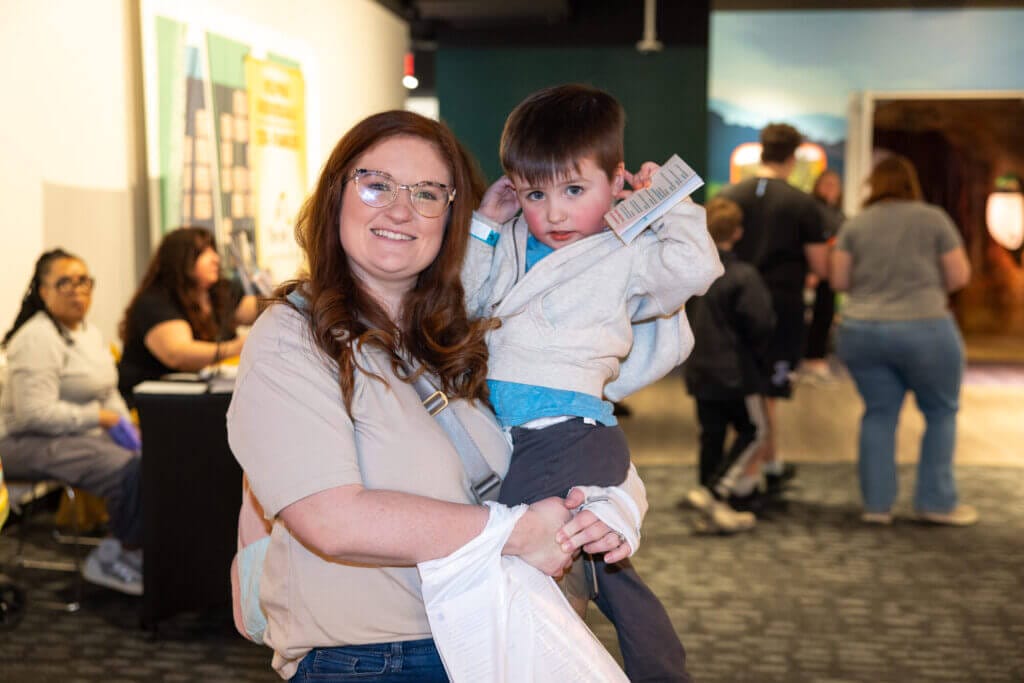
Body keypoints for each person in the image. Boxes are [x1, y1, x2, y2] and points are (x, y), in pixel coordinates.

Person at [226, 110, 631, 681]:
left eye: (427, 193)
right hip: (374, 659)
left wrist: (613, 510)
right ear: (336, 196)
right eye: (376, 185)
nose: (400, 210)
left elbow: (580, 420)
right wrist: (516, 533)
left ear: (451, 216)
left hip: (489, 637)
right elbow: (332, 520)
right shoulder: (293, 337)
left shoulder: (458, 334)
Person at [463, 83, 721, 683]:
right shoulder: (513, 239)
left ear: (616, 179)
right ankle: (660, 665)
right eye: (535, 194)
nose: (554, 213)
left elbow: (696, 268)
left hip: (567, 435)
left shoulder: (626, 250)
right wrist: (485, 225)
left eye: (574, 191)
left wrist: (668, 205)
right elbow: (465, 304)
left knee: (509, 554)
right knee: (601, 566)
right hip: (522, 434)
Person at [831, 154, 976, 526]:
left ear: (874, 185)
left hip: (862, 329)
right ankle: (936, 503)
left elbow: (840, 281)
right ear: (911, 184)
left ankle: (877, 506)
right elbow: (959, 276)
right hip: (925, 326)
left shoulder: (856, 224)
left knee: (879, 413)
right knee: (940, 412)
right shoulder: (934, 219)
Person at [0, 249, 144, 595]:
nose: (77, 290)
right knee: (130, 469)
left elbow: (107, 391)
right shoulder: (36, 338)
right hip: (22, 441)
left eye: (83, 281)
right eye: (64, 282)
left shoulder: (89, 333)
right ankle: (118, 555)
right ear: (43, 291)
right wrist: (100, 418)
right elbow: (33, 414)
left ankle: (140, 546)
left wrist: (129, 428)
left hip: (75, 434)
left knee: (153, 456)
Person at [718, 122, 829, 494]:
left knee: (749, 389)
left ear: (761, 149)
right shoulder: (802, 203)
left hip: (732, 304)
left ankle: (769, 463)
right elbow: (822, 266)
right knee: (765, 392)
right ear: (794, 156)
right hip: (780, 307)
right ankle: (747, 478)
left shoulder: (730, 196)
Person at [682, 197, 775, 534]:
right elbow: (761, 323)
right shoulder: (743, 275)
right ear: (737, 233)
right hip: (736, 371)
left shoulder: (693, 274)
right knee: (754, 430)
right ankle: (716, 493)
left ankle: (710, 506)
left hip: (699, 368)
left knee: (712, 436)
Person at [117, 227, 258, 408]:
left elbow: (254, 309)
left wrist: (286, 297)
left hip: (203, 397)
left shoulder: (217, 292)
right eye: (204, 252)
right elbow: (179, 354)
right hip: (157, 403)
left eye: (213, 250)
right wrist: (236, 347)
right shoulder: (156, 301)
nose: (215, 259)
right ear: (181, 260)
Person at [802, 168, 845, 381]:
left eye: (834, 184)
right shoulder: (812, 210)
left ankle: (817, 356)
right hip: (812, 271)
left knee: (825, 314)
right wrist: (812, 271)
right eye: (826, 183)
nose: (830, 188)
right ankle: (808, 356)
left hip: (831, 272)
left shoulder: (839, 214)